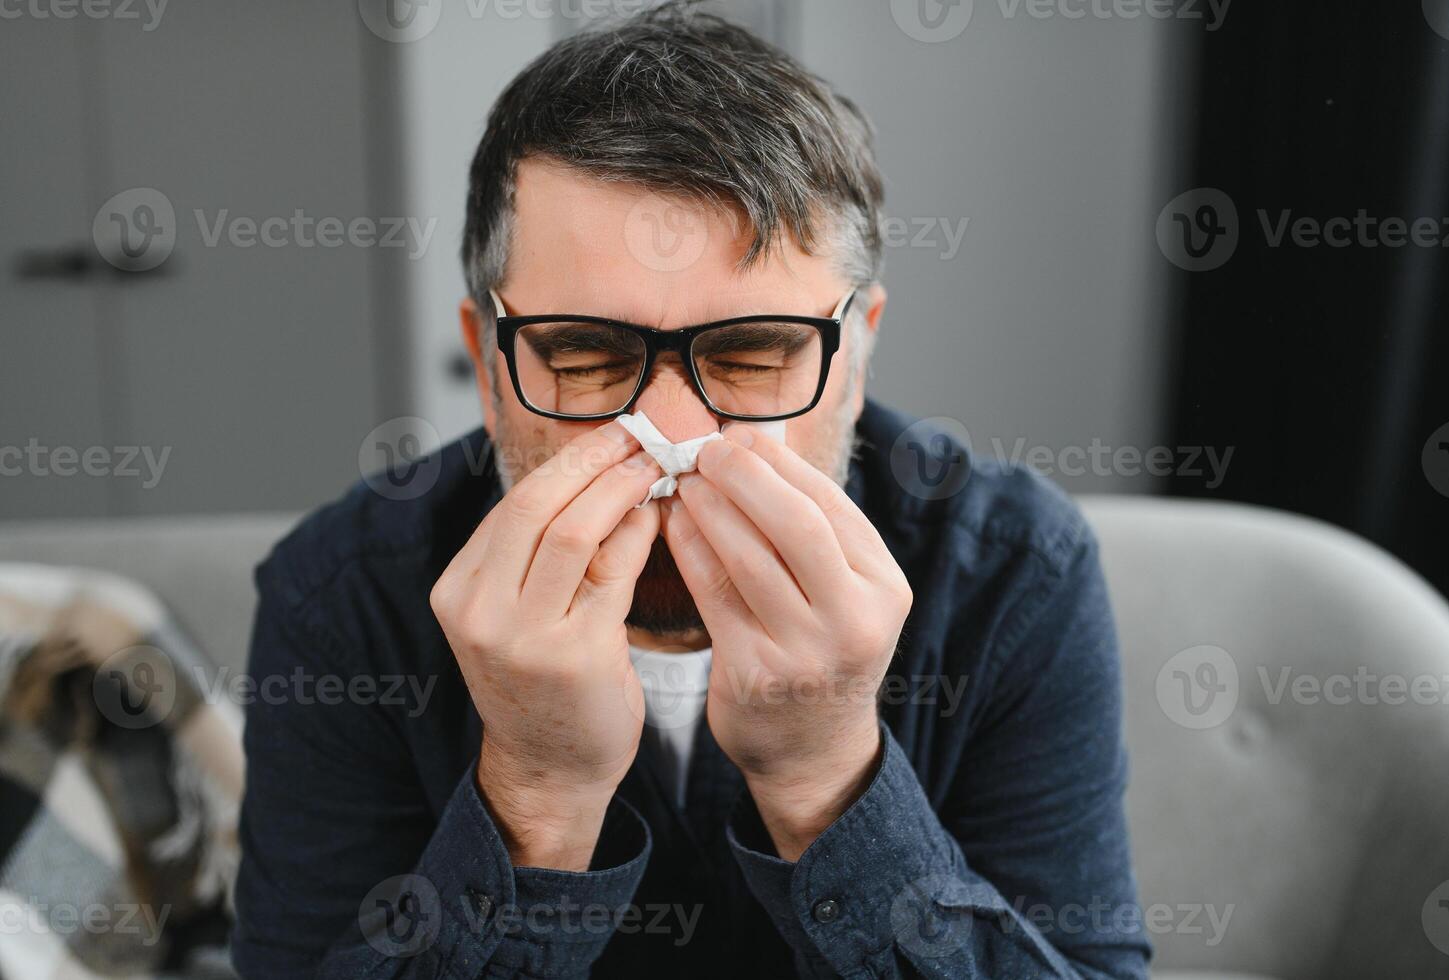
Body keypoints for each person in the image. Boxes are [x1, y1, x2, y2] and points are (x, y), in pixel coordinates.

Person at [231, 4, 1149, 977]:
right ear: (488, 360)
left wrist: (826, 774)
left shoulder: (1017, 574)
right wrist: (536, 795)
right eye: (586, 354)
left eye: (752, 354)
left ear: (858, 352)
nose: (671, 435)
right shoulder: (337, 596)